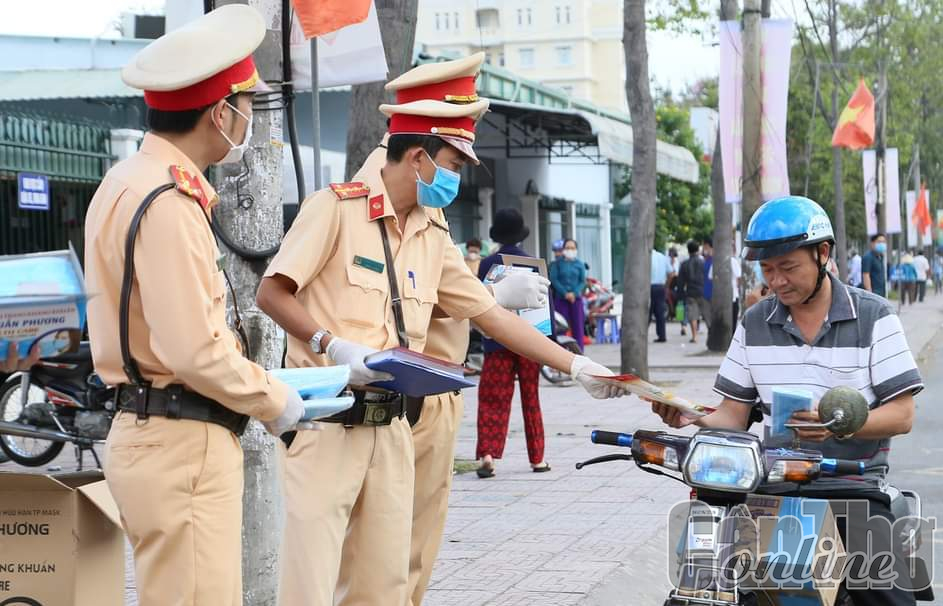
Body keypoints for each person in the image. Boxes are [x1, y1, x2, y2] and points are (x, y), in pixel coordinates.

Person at [255, 57, 625, 606]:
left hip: (393, 429)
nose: (459, 176)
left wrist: (575, 364)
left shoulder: (432, 234)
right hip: (328, 427)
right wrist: (331, 344)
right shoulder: (334, 209)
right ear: (419, 157)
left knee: (385, 588)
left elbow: (492, 316)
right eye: (453, 162)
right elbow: (272, 292)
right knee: (309, 588)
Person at [83, 7, 307, 605]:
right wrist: (275, 399)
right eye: (247, 106)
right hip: (182, 440)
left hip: (151, 429)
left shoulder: (125, 181)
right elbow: (194, 350)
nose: (249, 122)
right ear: (220, 113)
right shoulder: (168, 200)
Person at [652, 196, 922, 606]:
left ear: (823, 253)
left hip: (850, 486)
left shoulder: (875, 316)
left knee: (883, 590)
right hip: (770, 484)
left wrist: (838, 426)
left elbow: (902, 415)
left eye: (788, 267)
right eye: (767, 269)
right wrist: (691, 416)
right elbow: (732, 415)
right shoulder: (754, 322)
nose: (776, 281)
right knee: (706, 582)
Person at [475, 209, 550, 478]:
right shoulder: (533, 263)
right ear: (520, 234)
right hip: (529, 339)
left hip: (497, 339)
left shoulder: (487, 263)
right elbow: (544, 305)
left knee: (492, 399)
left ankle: (487, 455)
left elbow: (478, 300)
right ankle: (537, 459)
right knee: (531, 398)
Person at [549, 238, 587, 352]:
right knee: (560, 327)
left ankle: (579, 353)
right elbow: (554, 279)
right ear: (563, 249)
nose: (570, 250)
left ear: (576, 249)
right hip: (561, 299)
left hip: (576, 299)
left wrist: (574, 293)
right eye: (567, 248)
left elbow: (582, 281)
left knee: (578, 327)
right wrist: (565, 293)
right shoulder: (556, 264)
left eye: (572, 248)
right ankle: (561, 353)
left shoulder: (580, 264)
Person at [676, 240, 709, 343]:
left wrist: (680, 296)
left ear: (688, 250)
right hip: (703, 292)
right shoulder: (703, 262)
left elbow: (680, 282)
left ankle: (694, 336)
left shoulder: (684, 264)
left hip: (690, 292)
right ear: (698, 250)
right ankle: (711, 334)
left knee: (692, 315)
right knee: (707, 314)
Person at [650, 248, 672, 343]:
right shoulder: (663, 257)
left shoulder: (646, 257)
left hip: (649, 287)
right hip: (661, 286)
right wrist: (666, 286)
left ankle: (642, 334)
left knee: (647, 311)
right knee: (660, 313)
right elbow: (671, 273)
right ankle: (662, 335)